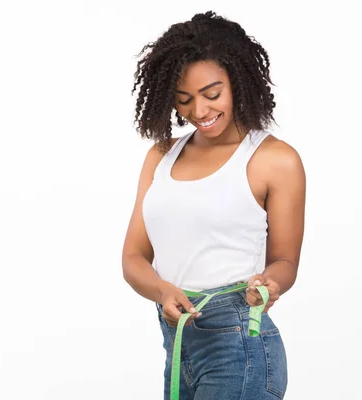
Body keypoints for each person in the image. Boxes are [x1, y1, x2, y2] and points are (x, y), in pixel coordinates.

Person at [122, 10, 306, 399]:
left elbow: (285, 261)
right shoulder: (161, 155)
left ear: (238, 81)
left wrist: (271, 284)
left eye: (212, 94)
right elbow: (134, 257)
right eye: (184, 100)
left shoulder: (275, 160)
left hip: (238, 345)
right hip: (177, 344)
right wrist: (161, 290)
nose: (199, 112)